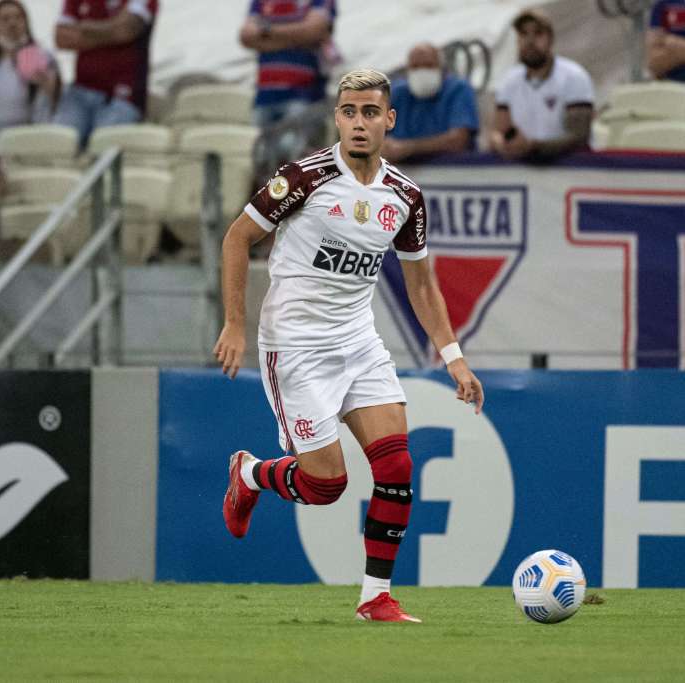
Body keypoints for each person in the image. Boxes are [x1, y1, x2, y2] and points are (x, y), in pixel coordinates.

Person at [214, 68, 484, 623]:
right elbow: (239, 236)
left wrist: (455, 358)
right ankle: (249, 474)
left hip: (358, 342)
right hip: (295, 346)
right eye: (348, 112)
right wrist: (235, 323)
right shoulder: (303, 177)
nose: (358, 123)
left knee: (398, 468)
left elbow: (421, 284)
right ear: (337, 117)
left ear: (390, 119)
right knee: (325, 485)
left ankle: (374, 597)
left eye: (369, 112)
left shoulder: (405, 196)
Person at [240, 0, 338, 172]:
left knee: (293, 159)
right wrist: (297, 37)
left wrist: (266, 31)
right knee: (259, 159)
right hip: (264, 98)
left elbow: (315, 30)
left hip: (304, 97)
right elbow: (246, 36)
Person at [488, 8, 594, 161]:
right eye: (523, 34)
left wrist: (533, 147)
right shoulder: (509, 81)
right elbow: (498, 131)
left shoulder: (574, 77)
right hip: (524, 172)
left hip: (568, 171)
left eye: (538, 33)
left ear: (550, 39)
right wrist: (500, 143)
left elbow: (579, 137)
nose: (530, 41)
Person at [54, 0, 158, 148]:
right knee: (55, 146)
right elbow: (61, 38)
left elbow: (125, 30)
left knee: (104, 153)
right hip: (80, 91)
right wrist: (112, 31)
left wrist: (84, 27)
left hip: (122, 96)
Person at [0, 0, 61, 136]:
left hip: (28, 133)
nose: (12, 24)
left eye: (18, 18)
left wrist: (48, 85)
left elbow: (54, 101)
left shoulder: (42, 55)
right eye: (5, 19)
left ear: (26, 23)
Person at [382, 42, 479, 163]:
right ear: (407, 71)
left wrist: (408, 148)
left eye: (429, 66)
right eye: (415, 67)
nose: (422, 72)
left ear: (442, 68)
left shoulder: (458, 90)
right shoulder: (397, 93)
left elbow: (458, 140)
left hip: (451, 172)